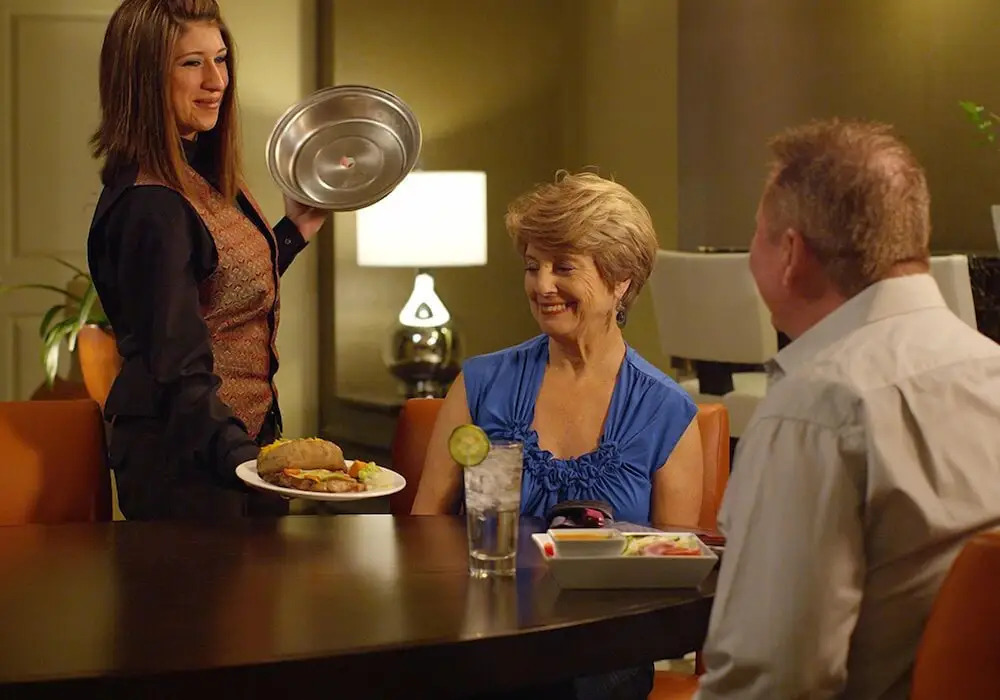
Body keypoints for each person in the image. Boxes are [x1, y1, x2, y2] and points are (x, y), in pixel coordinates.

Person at [696, 119, 1000, 699]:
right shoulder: (990, 369)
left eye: (757, 235)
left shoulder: (819, 410)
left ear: (790, 254)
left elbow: (774, 681)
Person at [86, 0, 328, 520]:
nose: (216, 81)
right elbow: (176, 366)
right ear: (144, 78)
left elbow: (218, 290)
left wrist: (293, 231)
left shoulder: (197, 171)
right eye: (192, 63)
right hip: (185, 468)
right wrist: (250, 466)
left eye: (220, 59)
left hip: (228, 450)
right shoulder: (152, 204)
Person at [412, 171, 704, 528]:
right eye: (533, 267)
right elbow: (424, 532)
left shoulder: (666, 411)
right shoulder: (480, 384)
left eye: (564, 267)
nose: (542, 285)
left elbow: (673, 555)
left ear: (621, 280)